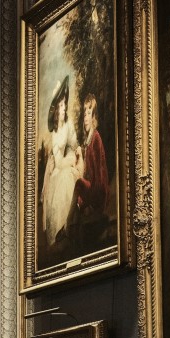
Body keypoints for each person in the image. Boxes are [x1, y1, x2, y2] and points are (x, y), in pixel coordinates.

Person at [41, 77, 81, 250]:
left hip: (68, 161)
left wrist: (76, 153)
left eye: (65, 104)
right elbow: (57, 161)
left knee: (69, 176)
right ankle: (60, 229)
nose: (64, 108)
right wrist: (65, 163)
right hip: (58, 167)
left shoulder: (69, 125)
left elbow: (73, 144)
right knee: (61, 180)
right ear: (56, 111)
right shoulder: (55, 134)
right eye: (61, 106)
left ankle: (68, 225)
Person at [72, 93, 110, 222]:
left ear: (94, 116)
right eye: (84, 114)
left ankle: (70, 222)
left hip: (98, 192)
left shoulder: (96, 139)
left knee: (78, 184)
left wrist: (91, 203)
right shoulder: (88, 141)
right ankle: (72, 222)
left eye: (89, 113)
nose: (86, 118)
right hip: (92, 187)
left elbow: (99, 177)